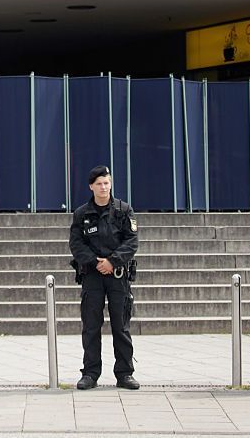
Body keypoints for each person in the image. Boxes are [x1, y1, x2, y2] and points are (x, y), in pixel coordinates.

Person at [69, 165, 139, 391]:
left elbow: (132, 241)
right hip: (92, 276)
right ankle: (90, 373)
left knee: (121, 326)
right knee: (91, 326)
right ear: (91, 186)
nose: (103, 187)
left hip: (117, 275)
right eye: (99, 183)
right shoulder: (81, 214)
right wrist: (95, 263)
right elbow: (76, 244)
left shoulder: (123, 210)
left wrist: (112, 262)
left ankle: (125, 373)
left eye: (106, 182)